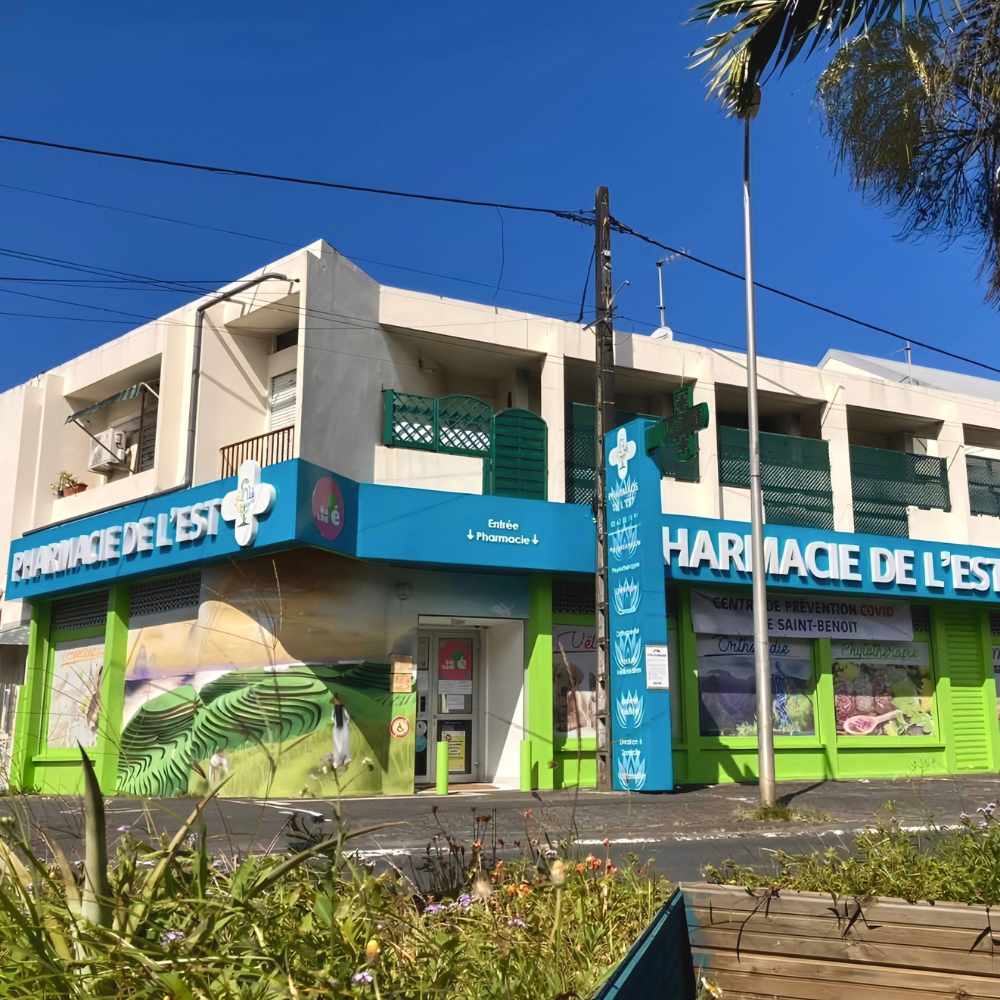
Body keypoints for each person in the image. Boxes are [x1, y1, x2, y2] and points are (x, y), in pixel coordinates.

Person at [331, 694, 352, 769]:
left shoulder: (335, 710)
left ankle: (340, 760)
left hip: (338, 729)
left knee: (339, 743)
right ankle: (341, 760)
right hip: (341, 728)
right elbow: (347, 718)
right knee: (341, 743)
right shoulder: (342, 710)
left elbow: (333, 719)